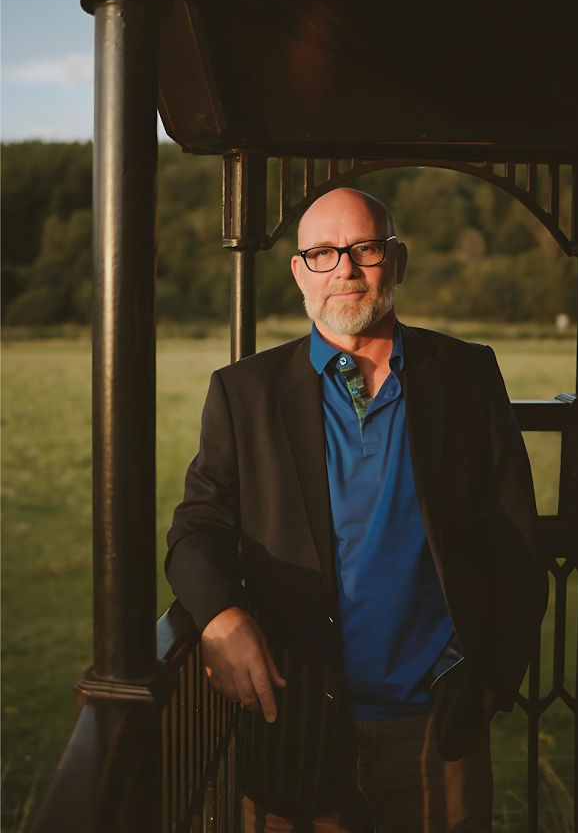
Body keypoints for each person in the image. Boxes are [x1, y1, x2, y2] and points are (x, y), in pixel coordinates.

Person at [165, 188, 549, 832]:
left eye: (363, 248)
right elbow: (195, 529)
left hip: (436, 725)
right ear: (299, 273)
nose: (343, 268)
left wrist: (490, 680)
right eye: (322, 253)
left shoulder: (468, 373)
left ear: (396, 261)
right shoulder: (243, 391)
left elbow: (516, 539)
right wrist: (220, 616)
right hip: (295, 722)